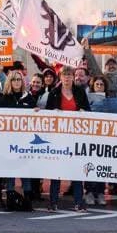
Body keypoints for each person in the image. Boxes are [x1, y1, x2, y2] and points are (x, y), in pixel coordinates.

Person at [42, 70, 91, 212]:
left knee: (76, 170)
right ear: (61, 77)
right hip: (57, 137)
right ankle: (53, 201)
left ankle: (78, 202)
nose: (67, 78)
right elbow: (47, 113)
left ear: (73, 77)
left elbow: (88, 110)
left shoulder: (80, 92)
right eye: (65, 75)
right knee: (56, 170)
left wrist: (83, 112)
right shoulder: (54, 93)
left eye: (70, 75)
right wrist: (53, 112)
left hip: (76, 137)